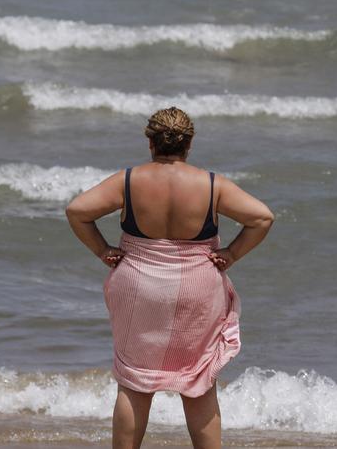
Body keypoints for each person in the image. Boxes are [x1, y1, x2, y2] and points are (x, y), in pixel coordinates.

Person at [66, 107, 274, 449]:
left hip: (138, 286)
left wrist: (102, 250)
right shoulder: (211, 184)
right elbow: (262, 218)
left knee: (134, 383)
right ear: (189, 145)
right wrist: (232, 254)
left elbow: (77, 211)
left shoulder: (129, 181)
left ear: (150, 143)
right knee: (199, 381)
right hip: (197, 288)